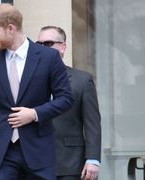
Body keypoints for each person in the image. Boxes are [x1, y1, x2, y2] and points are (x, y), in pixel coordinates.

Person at [0, 4, 73, 180]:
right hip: (3, 152)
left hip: (39, 149)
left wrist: (34, 113)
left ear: (10, 28)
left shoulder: (49, 57)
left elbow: (65, 98)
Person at [37, 26, 101, 180]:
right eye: (38, 44)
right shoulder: (28, 81)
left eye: (48, 43)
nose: (41, 48)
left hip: (71, 164)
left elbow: (92, 123)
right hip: (35, 163)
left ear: (62, 47)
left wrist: (93, 159)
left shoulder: (82, 80)